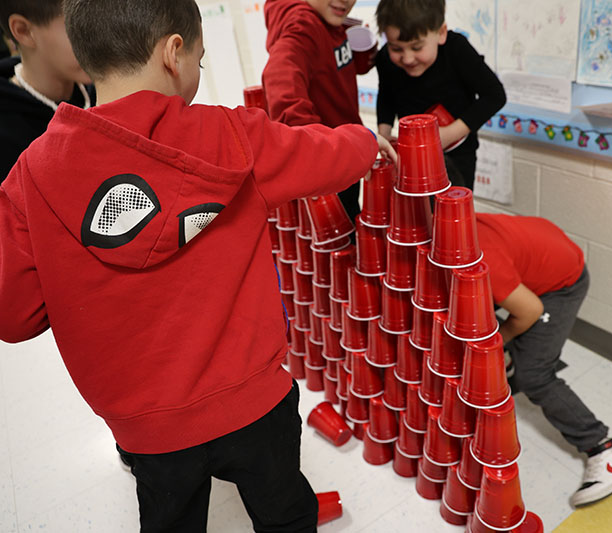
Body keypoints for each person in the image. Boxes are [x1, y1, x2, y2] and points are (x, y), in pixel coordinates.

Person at [0, 0, 394, 530]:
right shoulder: (233, 137)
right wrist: (368, 141)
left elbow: (15, 316)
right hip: (256, 403)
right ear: (174, 53)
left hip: (148, 431)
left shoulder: (31, 177)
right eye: (201, 62)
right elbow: (323, 155)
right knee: (285, 511)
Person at [476, 212, 612, 507]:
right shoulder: (453, 226)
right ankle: (509, 358)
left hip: (561, 285)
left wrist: (495, 343)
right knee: (472, 301)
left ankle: (606, 451)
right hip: (543, 255)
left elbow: (530, 310)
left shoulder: (482, 253)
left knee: (534, 375)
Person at [375, 0, 506, 190]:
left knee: (451, 209)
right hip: (411, 154)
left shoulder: (457, 50)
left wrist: (450, 133)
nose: (408, 58)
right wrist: (384, 133)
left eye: (417, 47)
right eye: (396, 48)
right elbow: (386, 96)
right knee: (414, 209)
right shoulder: (385, 59)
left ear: (441, 33)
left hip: (457, 153)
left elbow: (495, 95)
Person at [262, 0, 363, 222]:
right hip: (331, 167)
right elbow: (280, 79)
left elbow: (329, 64)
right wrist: (315, 143)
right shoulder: (303, 25)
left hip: (342, 156)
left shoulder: (327, 16)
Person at [0, 0, 94, 180]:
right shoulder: (6, 138)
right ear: (23, 30)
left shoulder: (106, 89)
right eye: (77, 26)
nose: (98, 40)